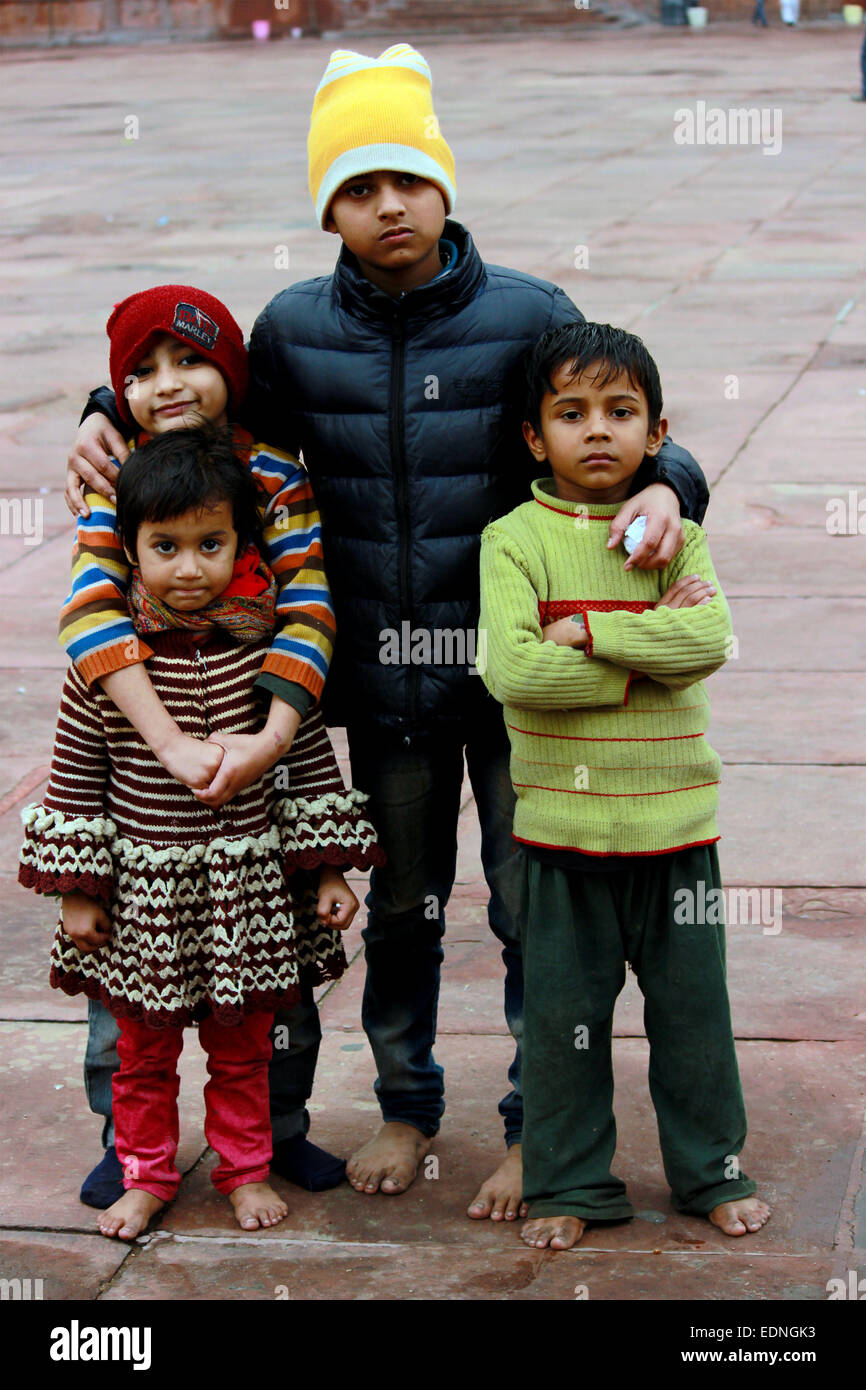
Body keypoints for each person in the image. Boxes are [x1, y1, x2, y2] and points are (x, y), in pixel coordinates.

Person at [63, 43, 710, 1221]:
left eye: (405, 179)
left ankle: (536, 1124)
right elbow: (200, 412)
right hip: (383, 692)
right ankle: (407, 1106)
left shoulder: (528, 314)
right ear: (328, 211)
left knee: (538, 913)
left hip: (528, 686)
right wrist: (107, 410)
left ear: (443, 186)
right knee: (402, 913)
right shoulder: (298, 329)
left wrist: (669, 481)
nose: (387, 206)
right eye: (357, 189)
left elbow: (610, 415)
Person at [19, 425, 383, 1241]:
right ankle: (145, 1174)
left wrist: (328, 872)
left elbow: (307, 769)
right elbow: (76, 780)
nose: (190, 569)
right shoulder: (108, 668)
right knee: (141, 1055)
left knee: (243, 1048)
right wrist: (79, 890)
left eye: (212, 544)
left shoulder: (265, 654)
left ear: (244, 544)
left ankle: (245, 1169)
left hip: (244, 899)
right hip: (143, 902)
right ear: (130, 550)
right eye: (166, 547)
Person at [59, 283, 355, 1208]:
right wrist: (169, 745)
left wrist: (270, 736)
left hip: (252, 829)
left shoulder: (274, 473)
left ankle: (272, 1138)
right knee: (129, 1020)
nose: (168, 384)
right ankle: (131, 1150)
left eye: (189, 360)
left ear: (231, 368)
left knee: (271, 1005)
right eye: (141, 373)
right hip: (148, 824)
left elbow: (309, 605)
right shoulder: (116, 477)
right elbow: (89, 616)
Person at [478, 321, 771, 1249]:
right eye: (571, 413)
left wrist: (589, 635)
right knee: (564, 1026)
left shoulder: (671, 534)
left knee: (695, 1023)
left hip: (678, 830)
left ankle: (711, 1173)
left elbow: (712, 641)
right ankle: (568, 1185)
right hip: (562, 836)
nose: (596, 431)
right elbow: (515, 672)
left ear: (658, 431)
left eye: (620, 412)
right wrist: (648, 648)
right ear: (535, 437)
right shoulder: (513, 540)